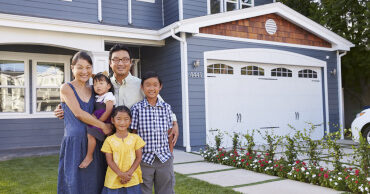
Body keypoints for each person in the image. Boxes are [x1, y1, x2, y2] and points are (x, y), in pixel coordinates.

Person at [55, 44, 179, 149]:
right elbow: (85, 100)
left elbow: (160, 104)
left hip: (132, 140)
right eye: (116, 60)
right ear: (110, 63)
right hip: (107, 139)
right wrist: (63, 108)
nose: (121, 63)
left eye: (125, 59)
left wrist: (174, 123)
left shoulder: (140, 84)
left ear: (130, 62)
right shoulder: (103, 84)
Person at [58, 51, 112, 194]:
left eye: (88, 67)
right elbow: (78, 113)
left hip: (94, 143)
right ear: (72, 68)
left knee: (95, 184)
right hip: (75, 143)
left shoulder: (94, 89)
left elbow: (105, 103)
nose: (84, 71)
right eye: (80, 67)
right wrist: (103, 126)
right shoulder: (66, 88)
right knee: (74, 184)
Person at [130, 71, 175, 194]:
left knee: (166, 190)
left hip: (164, 158)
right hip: (144, 159)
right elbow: (134, 135)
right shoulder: (136, 108)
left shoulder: (166, 107)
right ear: (142, 87)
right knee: (144, 190)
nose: (151, 88)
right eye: (148, 85)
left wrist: (170, 153)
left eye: (155, 85)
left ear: (160, 87)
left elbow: (169, 133)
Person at [101, 106, 145, 194]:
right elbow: (109, 161)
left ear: (130, 121)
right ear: (113, 120)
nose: (122, 122)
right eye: (119, 119)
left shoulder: (136, 138)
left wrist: (129, 174)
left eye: (126, 119)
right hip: (114, 179)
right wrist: (121, 174)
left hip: (132, 178)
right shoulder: (109, 140)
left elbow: (138, 158)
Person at [79, 72, 116, 168]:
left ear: (108, 86)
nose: (97, 86)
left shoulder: (109, 96)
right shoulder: (96, 97)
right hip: (98, 120)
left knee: (91, 134)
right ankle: (93, 156)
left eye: (101, 83)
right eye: (95, 84)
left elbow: (109, 111)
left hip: (105, 120)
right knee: (92, 136)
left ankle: (89, 156)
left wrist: (99, 123)